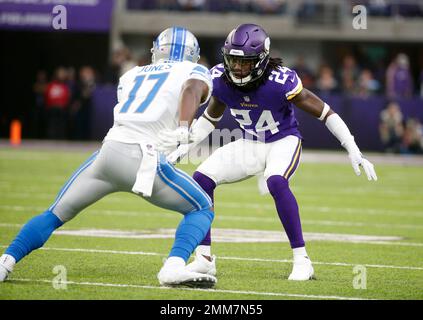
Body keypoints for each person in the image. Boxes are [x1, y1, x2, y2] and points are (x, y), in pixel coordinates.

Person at [0, 27, 217, 288]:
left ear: (157, 50)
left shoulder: (131, 75)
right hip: (142, 157)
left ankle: (6, 262)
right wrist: (183, 126)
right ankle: (173, 266)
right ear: (192, 54)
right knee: (201, 207)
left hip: (109, 151)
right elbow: (192, 89)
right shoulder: (195, 71)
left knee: (54, 214)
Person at [162, 24, 378, 281]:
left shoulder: (280, 82)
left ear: (261, 60)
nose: (237, 68)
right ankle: (204, 258)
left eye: (245, 62)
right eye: (233, 60)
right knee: (202, 179)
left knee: (276, 181)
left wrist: (352, 147)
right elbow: (210, 119)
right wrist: (183, 147)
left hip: (283, 141)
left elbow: (325, 112)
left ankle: (302, 260)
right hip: (250, 143)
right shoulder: (220, 78)